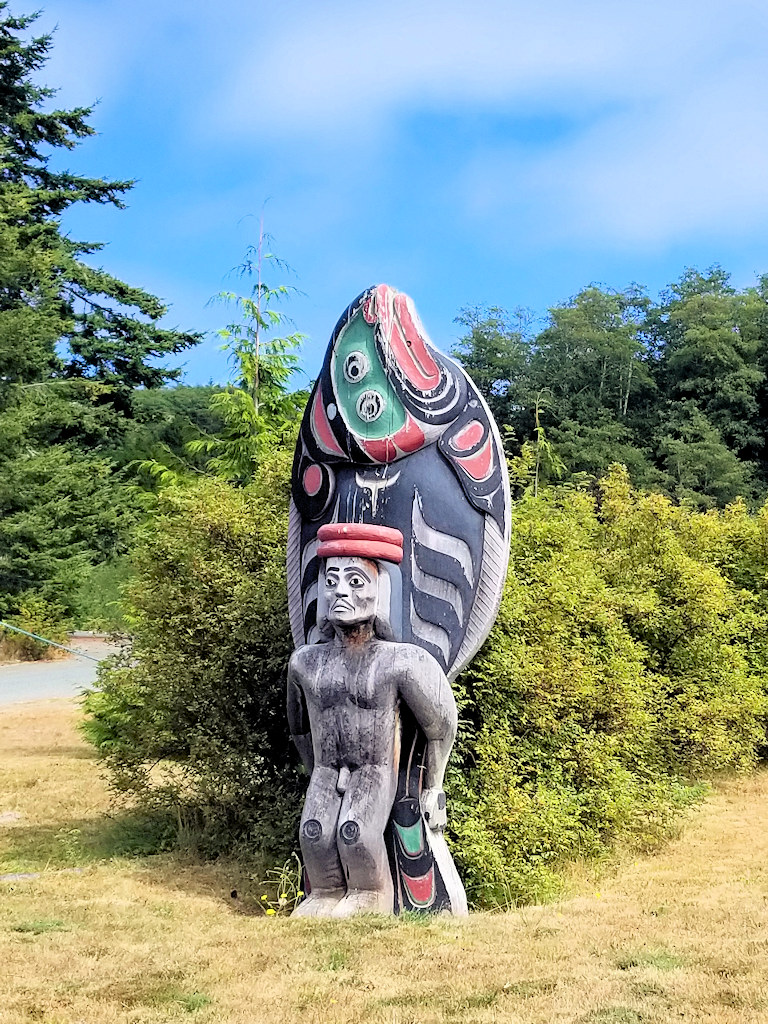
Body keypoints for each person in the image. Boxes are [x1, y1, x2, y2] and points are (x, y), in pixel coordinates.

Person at [286, 523, 457, 918]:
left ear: (382, 591)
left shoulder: (401, 660)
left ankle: (370, 894)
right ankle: (324, 894)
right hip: (327, 769)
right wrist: (313, 771)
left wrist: (434, 785)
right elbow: (299, 728)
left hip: (377, 768)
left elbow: (441, 723)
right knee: (312, 834)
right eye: (331, 580)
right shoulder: (305, 662)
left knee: (356, 834)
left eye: (356, 579)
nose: (340, 591)